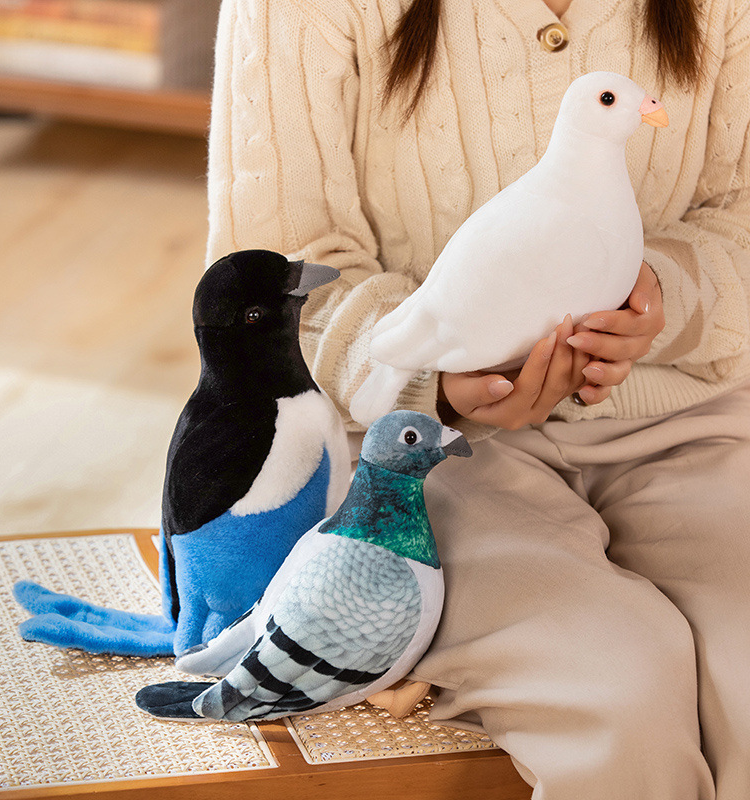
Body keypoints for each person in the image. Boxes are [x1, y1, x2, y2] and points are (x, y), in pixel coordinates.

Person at [205, 0, 750, 797]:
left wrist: (657, 288)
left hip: (691, 431)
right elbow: (275, 275)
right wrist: (438, 382)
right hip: (416, 471)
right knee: (619, 696)